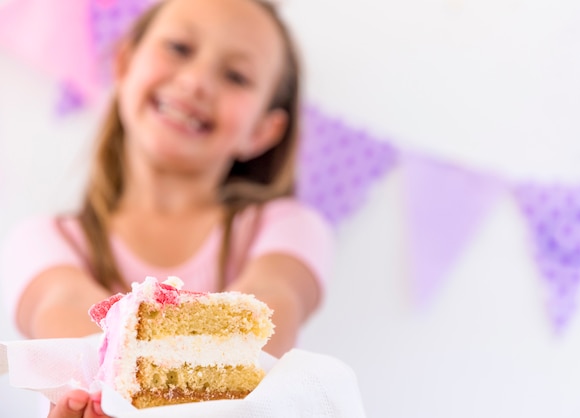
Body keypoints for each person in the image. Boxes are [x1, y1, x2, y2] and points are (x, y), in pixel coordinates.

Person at [0, 0, 334, 416]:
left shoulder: (287, 228)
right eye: (178, 47)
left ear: (264, 130)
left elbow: (269, 308)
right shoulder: (45, 240)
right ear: (124, 63)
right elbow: (66, 308)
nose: (196, 81)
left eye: (236, 75)